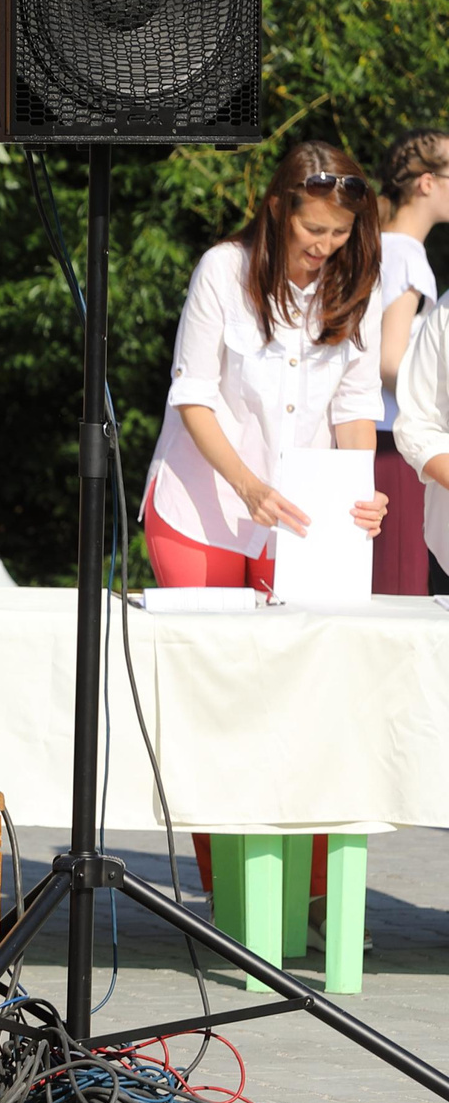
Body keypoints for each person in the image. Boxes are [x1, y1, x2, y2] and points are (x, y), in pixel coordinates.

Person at [140, 139, 389, 894]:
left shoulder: (356, 285)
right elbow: (194, 391)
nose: (324, 246)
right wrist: (247, 484)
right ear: (278, 209)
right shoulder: (223, 269)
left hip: (304, 518)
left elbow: (353, 405)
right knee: (221, 698)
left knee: (307, 692)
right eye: (314, 229)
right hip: (202, 510)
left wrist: (359, 486)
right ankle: (231, 890)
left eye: (340, 232)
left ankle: (309, 890)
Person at [373, 131, 446, 594]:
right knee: (400, 591)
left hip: (378, 437)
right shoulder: (407, 255)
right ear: (426, 183)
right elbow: (389, 360)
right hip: (396, 445)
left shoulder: (379, 244)